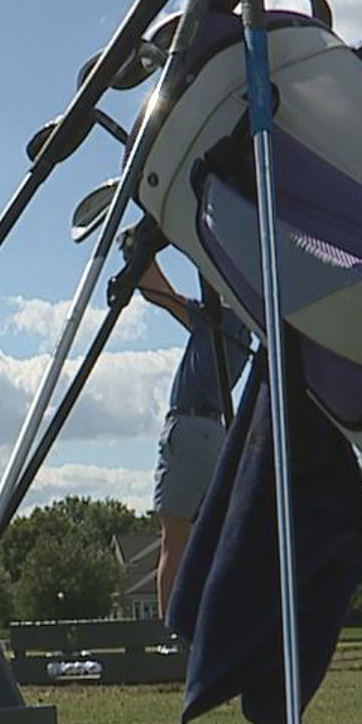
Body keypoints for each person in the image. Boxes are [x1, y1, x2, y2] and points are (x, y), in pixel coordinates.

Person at [134, 259, 254, 620]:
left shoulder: (214, 318)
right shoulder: (242, 330)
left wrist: (138, 254)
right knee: (208, 539)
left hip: (187, 428)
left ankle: (171, 632)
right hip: (217, 435)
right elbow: (162, 295)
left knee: (174, 539)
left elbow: (158, 293)